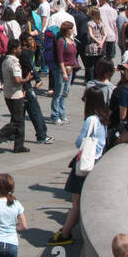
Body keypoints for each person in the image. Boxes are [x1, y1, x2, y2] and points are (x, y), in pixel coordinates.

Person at [48, 87, 108, 247]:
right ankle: (67, 230)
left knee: (76, 202)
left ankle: (65, 234)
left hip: (85, 164)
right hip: (96, 160)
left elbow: (79, 142)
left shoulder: (91, 120)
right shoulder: (103, 118)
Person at [0, 37, 28, 154]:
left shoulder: (5, 60)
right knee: (17, 122)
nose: (21, 50)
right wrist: (26, 80)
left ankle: (19, 145)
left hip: (8, 94)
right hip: (16, 95)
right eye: (19, 48)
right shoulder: (14, 63)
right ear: (14, 49)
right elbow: (17, 80)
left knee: (19, 120)